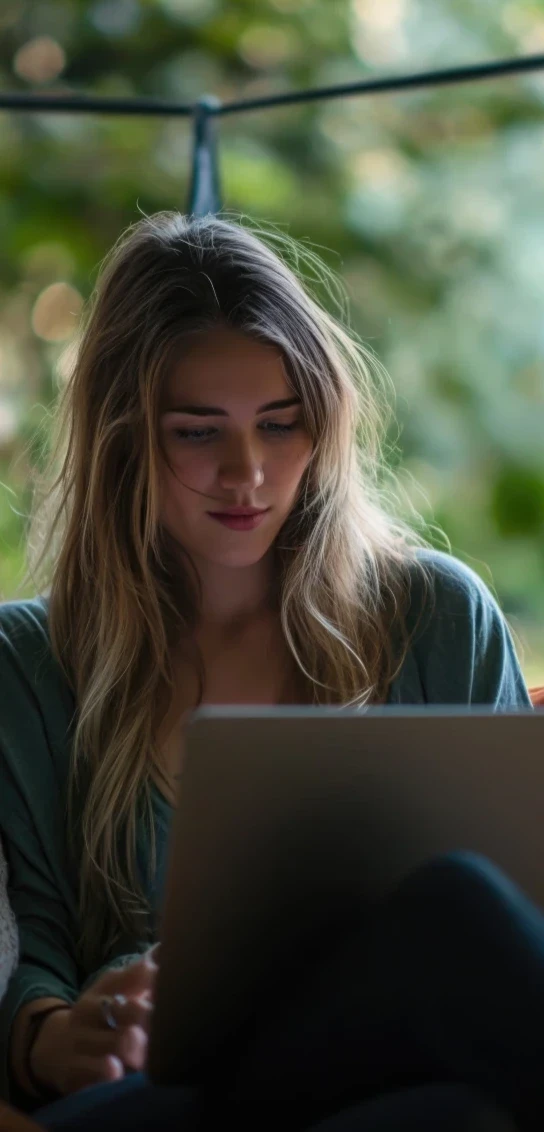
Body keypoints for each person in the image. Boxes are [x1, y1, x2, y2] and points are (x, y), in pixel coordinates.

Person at [0, 208, 539, 1132]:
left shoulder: (438, 617)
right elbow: (33, 944)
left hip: (403, 1066)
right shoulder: (31, 662)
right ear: (126, 440)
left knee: (453, 1078)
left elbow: (519, 907)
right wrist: (56, 1036)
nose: (247, 472)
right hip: (173, 1089)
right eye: (198, 433)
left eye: (280, 424)